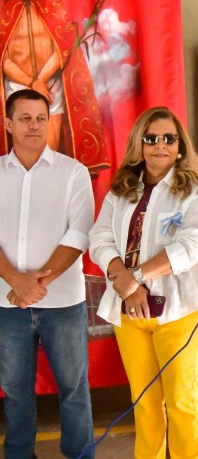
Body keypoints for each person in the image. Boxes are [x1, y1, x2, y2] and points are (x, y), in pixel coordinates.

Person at [89, 106, 198, 459]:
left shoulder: (195, 190)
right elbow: (100, 236)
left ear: (180, 145)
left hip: (181, 309)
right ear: (139, 143)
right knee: (144, 401)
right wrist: (123, 280)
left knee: (180, 400)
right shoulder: (122, 187)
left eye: (168, 138)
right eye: (151, 138)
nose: (160, 145)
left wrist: (137, 276)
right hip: (129, 309)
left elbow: (193, 245)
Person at [0, 88, 95, 459]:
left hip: (63, 303)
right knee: (15, 390)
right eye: (24, 118)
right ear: (8, 124)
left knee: (74, 389)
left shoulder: (73, 173)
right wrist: (16, 281)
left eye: (41, 118)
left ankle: (80, 455)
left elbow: (79, 234)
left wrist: (35, 284)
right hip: (6, 303)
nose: (34, 125)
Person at [0, 0, 109, 174]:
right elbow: (3, 58)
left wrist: (41, 81)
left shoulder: (50, 2)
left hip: (50, 85)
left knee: (47, 157)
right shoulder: (2, 9)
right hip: (15, 86)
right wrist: (31, 82)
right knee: (20, 159)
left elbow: (65, 46)